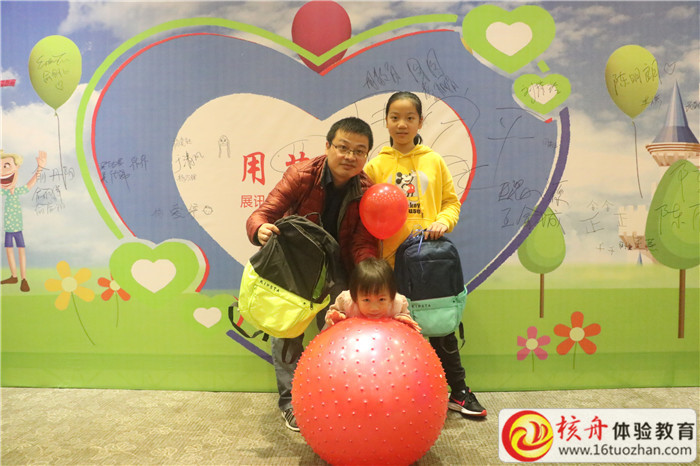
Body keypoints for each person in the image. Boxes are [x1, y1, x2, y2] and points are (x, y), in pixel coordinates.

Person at [246, 117, 378, 432]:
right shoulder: (301, 175)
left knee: (338, 336)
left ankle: (333, 397)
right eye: (343, 147)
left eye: (359, 151)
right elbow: (263, 213)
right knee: (287, 334)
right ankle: (291, 402)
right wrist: (259, 229)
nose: (350, 156)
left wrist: (370, 275)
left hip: (337, 270)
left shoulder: (367, 190)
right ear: (328, 146)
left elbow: (362, 242)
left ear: (366, 155)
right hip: (297, 269)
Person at [364, 91, 487, 418]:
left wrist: (443, 221)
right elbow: (365, 212)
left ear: (421, 121)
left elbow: (450, 203)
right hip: (389, 265)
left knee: (441, 329)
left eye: (409, 118)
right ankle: (401, 396)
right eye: (395, 117)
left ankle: (459, 392)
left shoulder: (434, 161)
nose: (401, 124)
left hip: (428, 261)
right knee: (396, 333)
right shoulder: (375, 166)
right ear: (386, 121)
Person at [324, 257, 420, 332]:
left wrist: (404, 320)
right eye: (366, 300)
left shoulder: (397, 304)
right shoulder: (347, 302)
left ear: (391, 296)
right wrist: (336, 317)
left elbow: (406, 319)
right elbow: (331, 318)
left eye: (381, 299)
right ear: (355, 298)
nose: (374, 308)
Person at [1, 149, 47, 292]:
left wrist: (40, 168)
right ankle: (14, 276)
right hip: (8, 228)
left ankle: (24, 279)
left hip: (18, 229)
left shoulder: (17, 191)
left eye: (6, 166)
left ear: (17, 168)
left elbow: (29, 185)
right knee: (9, 250)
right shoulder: (3, 191)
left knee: (21, 251)